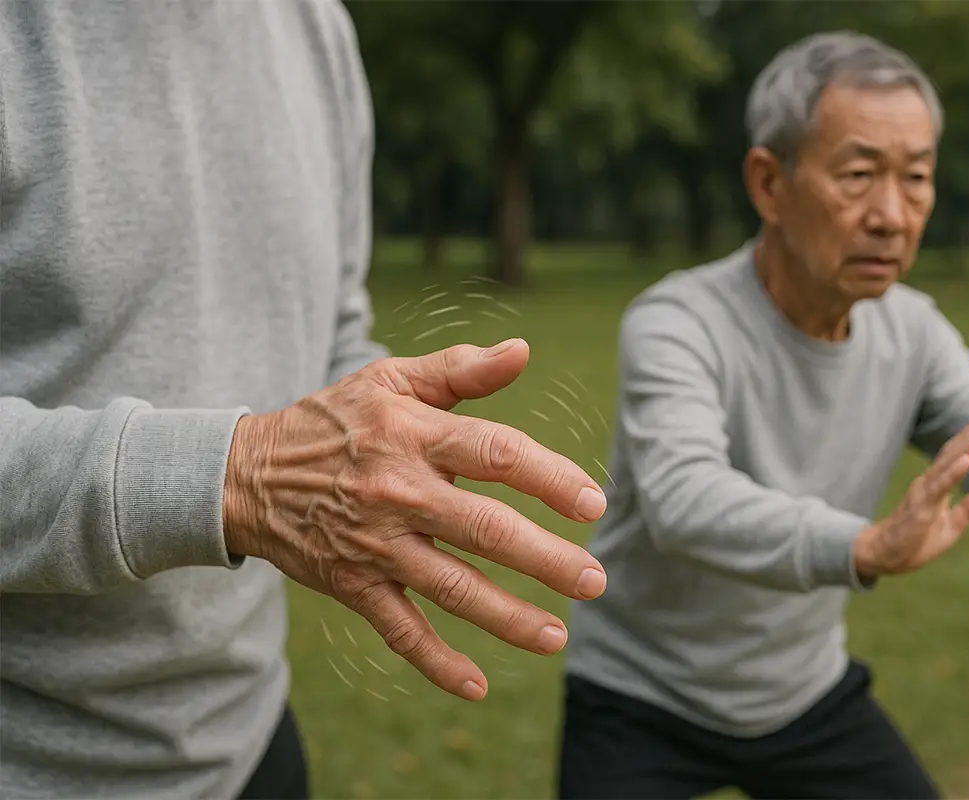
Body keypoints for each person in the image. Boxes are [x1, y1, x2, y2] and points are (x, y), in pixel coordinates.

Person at [0, 2, 609, 798]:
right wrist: (239, 477)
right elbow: (261, 469)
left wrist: (403, 433)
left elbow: (331, 331)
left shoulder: (316, 27)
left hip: (248, 741)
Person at [556, 30, 969, 800]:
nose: (892, 214)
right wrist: (864, 547)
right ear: (769, 184)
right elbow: (684, 501)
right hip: (639, 695)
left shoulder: (913, 332)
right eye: (860, 174)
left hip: (804, 694)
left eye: (916, 178)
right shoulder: (677, 322)